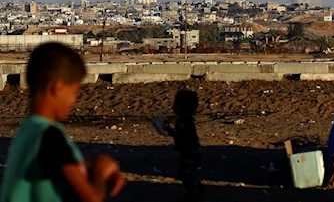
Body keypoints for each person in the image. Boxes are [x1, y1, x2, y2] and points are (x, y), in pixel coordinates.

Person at [0, 42, 125, 202]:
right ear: (58, 88)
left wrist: (89, 168)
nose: (75, 100)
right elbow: (92, 199)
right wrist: (100, 171)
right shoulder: (50, 136)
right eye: (74, 91)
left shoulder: (29, 129)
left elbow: (59, 167)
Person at [153, 89, 204, 201]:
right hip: (191, 151)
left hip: (190, 152)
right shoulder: (187, 119)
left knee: (185, 174)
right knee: (186, 173)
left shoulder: (184, 120)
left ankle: (194, 192)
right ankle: (193, 191)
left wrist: (169, 130)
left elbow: (182, 134)